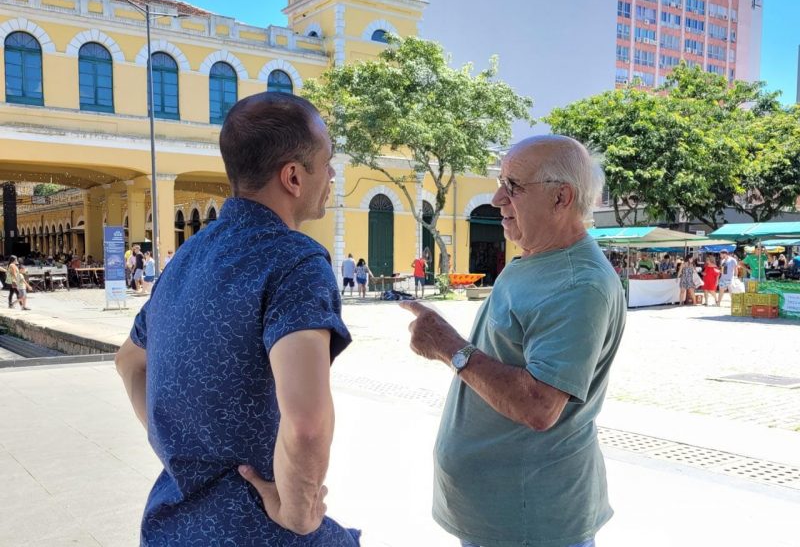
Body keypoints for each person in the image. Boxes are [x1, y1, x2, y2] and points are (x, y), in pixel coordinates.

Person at [114, 92, 359, 546]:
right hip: (255, 531)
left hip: (172, 526)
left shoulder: (187, 256)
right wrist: (299, 511)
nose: (331, 176)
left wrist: (185, 451)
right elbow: (306, 422)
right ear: (292, 176)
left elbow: (129, 361)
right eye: (327, 163)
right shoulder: (295, 261)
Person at [401, 135, 626, 547]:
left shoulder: (579, 285)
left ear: (562, 197)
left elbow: (539, 406)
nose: (497, 197)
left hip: (533, 522)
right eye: (502, 181)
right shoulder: (535, 258)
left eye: (514, 186)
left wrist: (449, 346)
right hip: (504, 516)